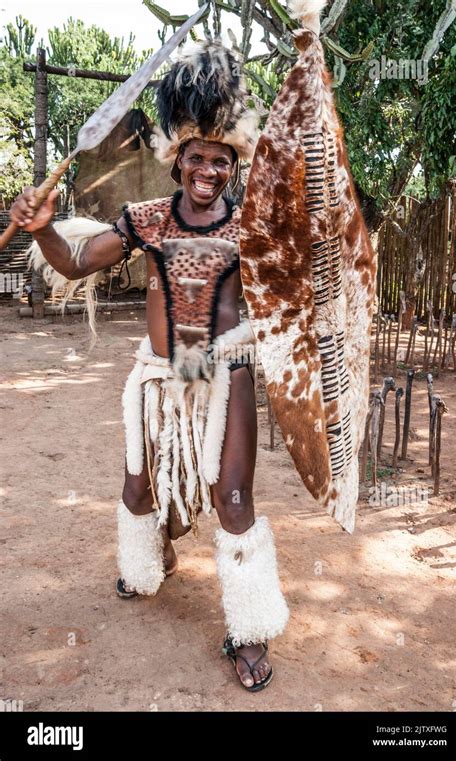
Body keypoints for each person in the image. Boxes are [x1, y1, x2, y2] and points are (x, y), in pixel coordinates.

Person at [10, 40, 289, 693]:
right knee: (141, 489)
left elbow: (293, 283)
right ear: (178, 162)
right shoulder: (146, 220)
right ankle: (150, 559)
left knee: (234, 497)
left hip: (227, 370)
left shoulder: (251, 225)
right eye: (198, 158)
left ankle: (249, 630)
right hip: (160, 378)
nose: (209, 170)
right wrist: (45, 228)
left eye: (221, 160)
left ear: (232, 166)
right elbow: (76, 263)